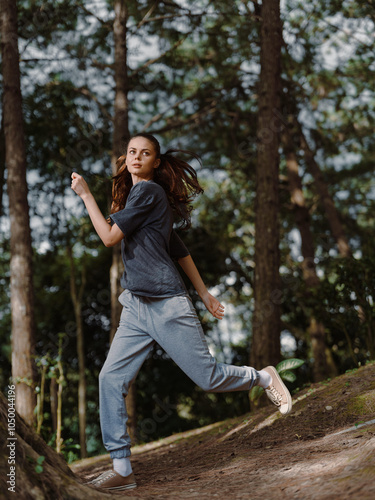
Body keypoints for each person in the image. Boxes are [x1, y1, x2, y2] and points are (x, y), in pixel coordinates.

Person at [71, 133, 292, 491]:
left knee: (208, 379)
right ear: (125, 158)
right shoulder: (139, 199)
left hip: (165, 304)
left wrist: (85, 197)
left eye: (145, 153)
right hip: (136, 306)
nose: (137, 157)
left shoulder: (149, 193)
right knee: (110, 379)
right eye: (131, 152)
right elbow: (178, 247)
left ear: (156, 162)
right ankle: (122, 469)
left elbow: (109, 238)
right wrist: (204, 293)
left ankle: (264, 377)